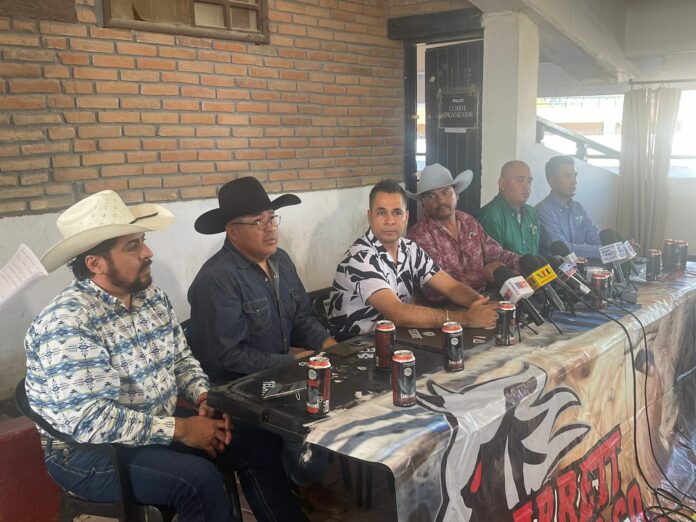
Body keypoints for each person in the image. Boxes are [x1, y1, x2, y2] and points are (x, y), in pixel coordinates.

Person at [25, 190, 307, 522]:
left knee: (258, 442)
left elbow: (181, 360)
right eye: (132, 246)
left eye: (142, 242)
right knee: (199, 482)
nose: (148, 253)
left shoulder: (152, 298)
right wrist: (182, 429)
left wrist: (203, 395)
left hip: (155, 421)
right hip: (89, 453)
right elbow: (91, 421)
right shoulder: (68, 322)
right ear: (95, 263)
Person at [187, 176, 345, 514]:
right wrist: (291, 362)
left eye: (272, 218)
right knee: (306, 408)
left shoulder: (281, 260)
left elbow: (302, 318)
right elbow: (227, 357)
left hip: (278, 372)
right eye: (258, 222)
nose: (270, 228)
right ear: (232, 231)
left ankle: (304, 475)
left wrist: (328, 344)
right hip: (237, 388)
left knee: (337, 389)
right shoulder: (217, 279)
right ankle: (301, 479)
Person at [328, 179, 498, 338]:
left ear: (406, 217)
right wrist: (467, 319)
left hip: (397, 340)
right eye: (381, 213)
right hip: (356, 348)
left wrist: (483, 305)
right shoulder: (360, 258)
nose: (390, 221)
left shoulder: (409, 249)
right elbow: (398, 313)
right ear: (370, 216)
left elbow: (452, 287)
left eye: (397, 212)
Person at [406, 163, 520, 301]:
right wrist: (484, 274)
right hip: (447, 309)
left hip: (483, 299)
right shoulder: (419, 236)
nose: (441, 200)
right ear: (423, 202)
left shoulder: (468, 221)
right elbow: (436, 288)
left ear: (457, 194)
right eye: (431, 196)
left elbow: (494, 253)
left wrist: (521, 261)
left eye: (446, 192)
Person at [535, 155, 603, 259]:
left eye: (575, 175)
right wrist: (602, 251)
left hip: (582, 267)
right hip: (556, 268)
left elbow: (597, 238)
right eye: (568, 176)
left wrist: (612, 249)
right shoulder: (543, 210)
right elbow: (562, 248)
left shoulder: (578, 208)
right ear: (552, 181)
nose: (574, 181)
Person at [477, 160, 540, 256]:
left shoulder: (532, 212)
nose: (527, 186)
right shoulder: (491, 215)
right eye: (520, 180)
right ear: (502, 184)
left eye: (529, 181)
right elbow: (493, 259)